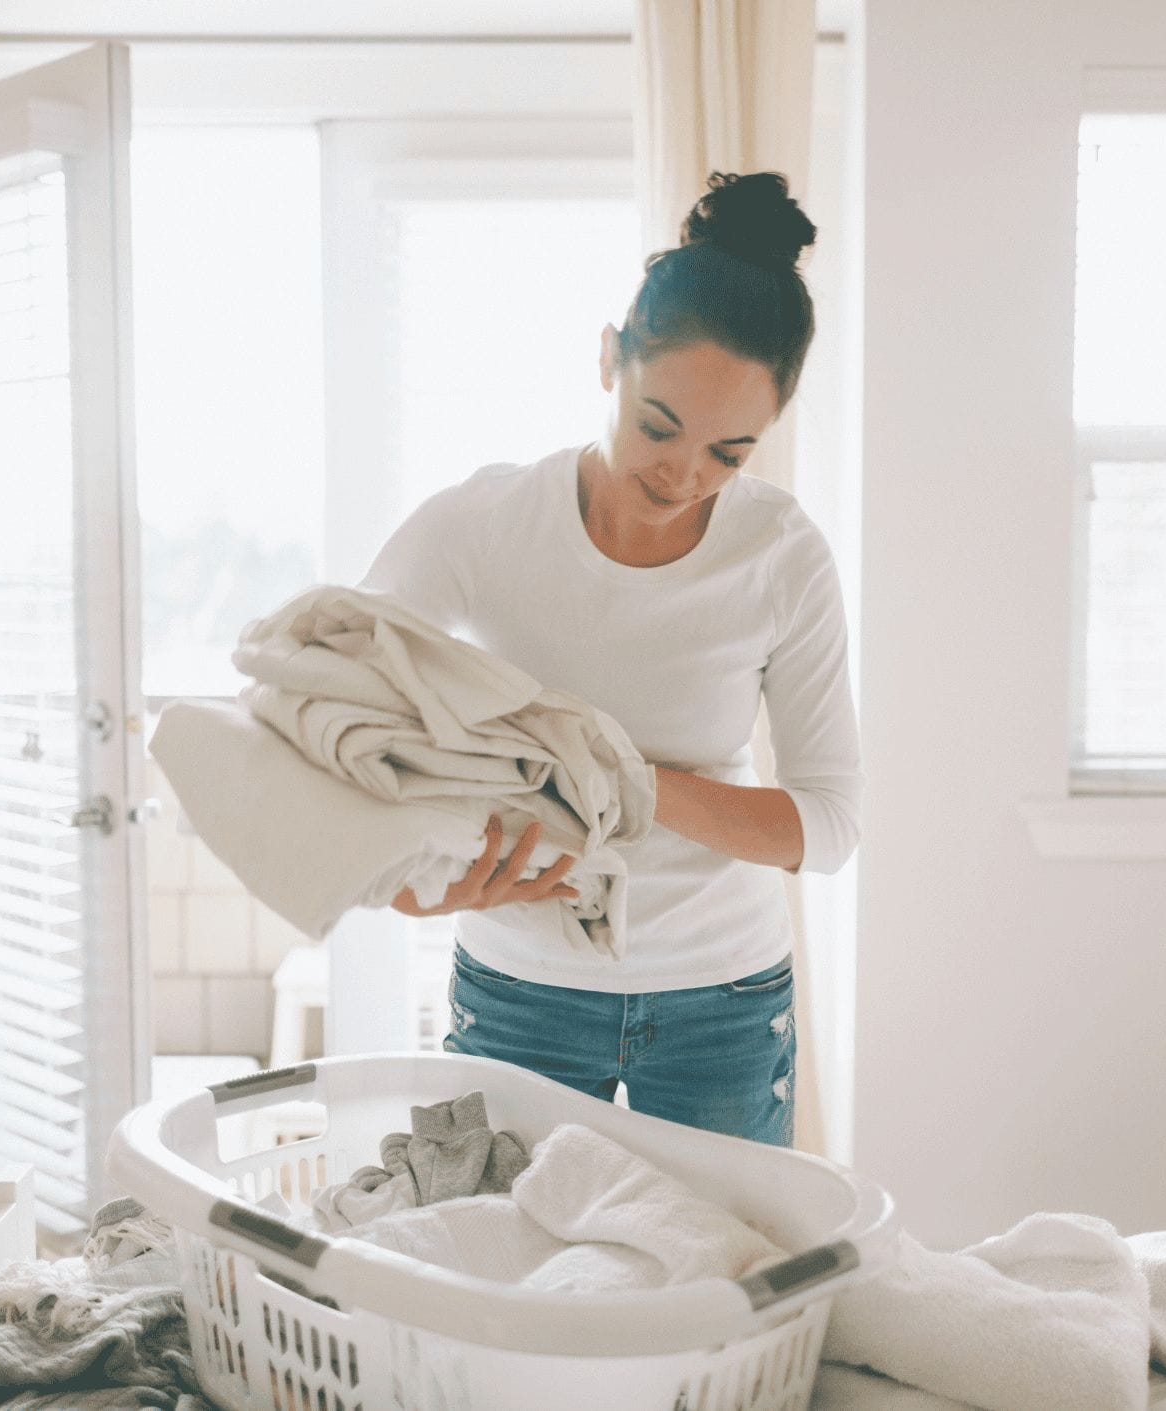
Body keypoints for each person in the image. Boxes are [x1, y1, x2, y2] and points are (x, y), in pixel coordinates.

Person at [360, 171, 861, 1146]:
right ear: (607, 360)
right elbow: (337, 721)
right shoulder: (482, 526)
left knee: (725, 1281)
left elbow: (830, 824)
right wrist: (419, 887)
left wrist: (623, 774)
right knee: (505, 1282)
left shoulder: (780, 554)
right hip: (518, 992)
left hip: (722, 998)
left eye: (728, 453)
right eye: (657, 427)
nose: (680, 477)